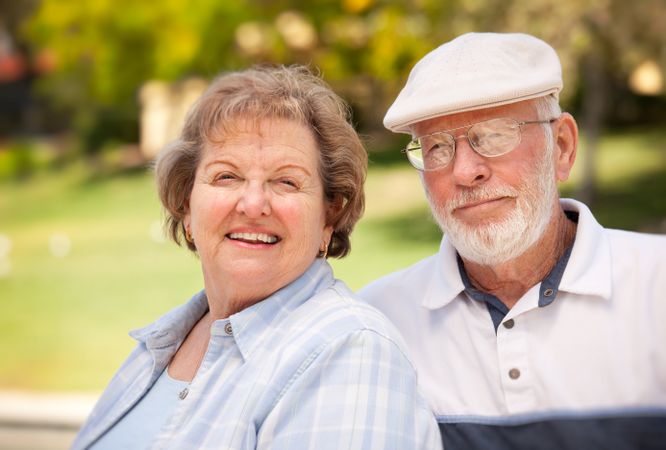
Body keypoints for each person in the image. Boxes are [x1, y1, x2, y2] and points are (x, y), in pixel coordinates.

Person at [72, 65, 441, 450]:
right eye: (226, 176)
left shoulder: (351, 354)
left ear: (328, 218)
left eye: (286, 182)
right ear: (186, 206)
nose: (253, 204)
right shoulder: (161, 345)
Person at [359, 32, 666, 449]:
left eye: (494, 135)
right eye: (437, 147)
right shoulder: (378, 325)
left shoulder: (656, 289)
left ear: (561, 147)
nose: (465, 171)